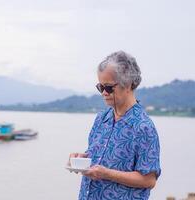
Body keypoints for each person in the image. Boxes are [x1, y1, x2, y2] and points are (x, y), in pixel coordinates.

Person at [69, 51, 161, 200]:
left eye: (109, 87)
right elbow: (96, 158)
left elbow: (149, 180)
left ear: (129, 84)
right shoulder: (101, 119)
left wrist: (107, 174)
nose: (104, 93)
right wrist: (80, 159)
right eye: (100, 87)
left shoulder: (143, 127)